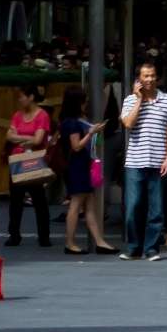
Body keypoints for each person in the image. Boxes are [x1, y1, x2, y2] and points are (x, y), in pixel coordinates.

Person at [118, 61, 167, 261]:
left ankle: (152, 248)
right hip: (135, 161)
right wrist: (138, 100)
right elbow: (128, 123)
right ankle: (134, 247)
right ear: (138, 79)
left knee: (157, 208)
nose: (149, 80)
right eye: (145, 76)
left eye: (152, 75)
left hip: (158, 161)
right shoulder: (129, 100)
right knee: (133, 207)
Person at [57, 88, 114, 255]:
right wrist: (91, 133)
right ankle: (70, 242)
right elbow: (76, 146)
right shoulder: (73, 123)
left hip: (79, 166)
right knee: (77, 204)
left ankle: (99, 241)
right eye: (83, 101)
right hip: (77, 166)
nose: (85, 104)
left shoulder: (68, 121)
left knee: (89, 204)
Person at [3, 83, 56, 249]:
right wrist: (27, 139)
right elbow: (8, 136)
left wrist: (18, 137)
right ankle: (14, 234)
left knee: (39, 199)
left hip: (33, 159)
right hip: (17, 160)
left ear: (31, 97)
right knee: (15, 200)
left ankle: (44, 235)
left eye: (22, 96)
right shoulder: (17, 115)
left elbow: (38, 140)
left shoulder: (42, 115)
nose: (19, 100)